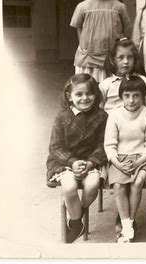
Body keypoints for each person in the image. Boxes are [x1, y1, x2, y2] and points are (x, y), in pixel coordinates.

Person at [46, 74, 108, 243]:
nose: (84, 98)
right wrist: (72, 162)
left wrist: (90, 163)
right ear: (69, 96)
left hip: (91, 162)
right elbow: (55, 147)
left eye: (89, 94)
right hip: (65, 163)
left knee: (92, 184)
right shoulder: (62, 117)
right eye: (79, 94)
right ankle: (77, 221)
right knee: (69, 187)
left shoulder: (102, 117)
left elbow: (103, 145)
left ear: (96, 95)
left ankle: (75, 220)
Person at [104, 76, 146, 243]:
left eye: (136, 95)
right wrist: (118, 163)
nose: (131, 100)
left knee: (138, 182)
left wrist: (139, 162)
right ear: (121, 96)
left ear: (143, 96)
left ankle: (129, 223)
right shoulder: (115, 115)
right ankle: (126, 226)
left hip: (141, 158)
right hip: (120, 159)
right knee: (118, 186)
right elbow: (109, 145)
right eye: (127, 95)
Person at [70, 0, 132, 82]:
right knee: (88, 90)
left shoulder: (119, 7)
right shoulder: (82, 7)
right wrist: (86, 49)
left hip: (110, 62)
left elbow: (126, 33)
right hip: (87, 61)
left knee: (109, 94)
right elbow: (80, 31)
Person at [99, 38, 146, 112]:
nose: (126, 61)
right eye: (121, 58)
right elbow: (100, 110)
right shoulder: (105, 85)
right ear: (113, 60)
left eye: (130, 57)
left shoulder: (142, 80)